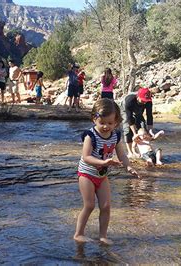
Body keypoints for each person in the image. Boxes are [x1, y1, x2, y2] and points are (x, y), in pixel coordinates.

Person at [74, 99, 140, 245]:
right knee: (89, 205)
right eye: (102, 123)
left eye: (110, 123)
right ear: (94, 119)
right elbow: (86, 157)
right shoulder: (90, 136)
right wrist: (104, 162)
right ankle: (78, 234)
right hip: (86, 174)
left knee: (106, 206)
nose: (106, 126)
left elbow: (122, 155)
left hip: (102, 175)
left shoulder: (115, 136)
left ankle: (102, 236)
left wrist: (128, 166)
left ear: (116, 121)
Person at [121, 87, 154, 158]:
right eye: (143, 100)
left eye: (146, 101)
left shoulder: (148, 101)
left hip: (138, 108)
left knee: (142, 127)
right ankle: (130, 152)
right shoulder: (129, 101)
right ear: (138, 97)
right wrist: (135, 134)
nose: (145, 102)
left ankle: (142, 151)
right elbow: (129, 118)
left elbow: (149, 116)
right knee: (127, 128)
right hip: (126, 108)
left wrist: (150, 131)